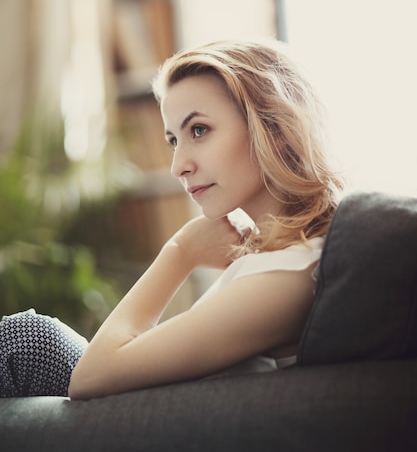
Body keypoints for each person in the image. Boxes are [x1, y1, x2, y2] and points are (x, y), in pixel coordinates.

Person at [0, 39, 344, 399]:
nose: (178, 166)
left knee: (27, 343)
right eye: (173, 141)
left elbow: (90, 378)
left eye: (198, 130)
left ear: (271, 126)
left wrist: (181, 250)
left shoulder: (288, 280)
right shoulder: (279, 262)